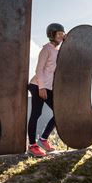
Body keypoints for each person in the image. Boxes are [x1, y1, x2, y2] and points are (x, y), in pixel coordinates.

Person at [27, 23, 65, 158]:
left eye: (63, 33)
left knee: (59, 113)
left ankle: (43, 139)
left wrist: (68, 40)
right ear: (52, 34)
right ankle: (32, 146)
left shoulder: (58, 51)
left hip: (48, 87)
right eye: (59, 33)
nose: (61, 35)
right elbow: (39, 69)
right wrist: (41, 87)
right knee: (36, 114)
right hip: (37, 85)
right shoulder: (46, 49)